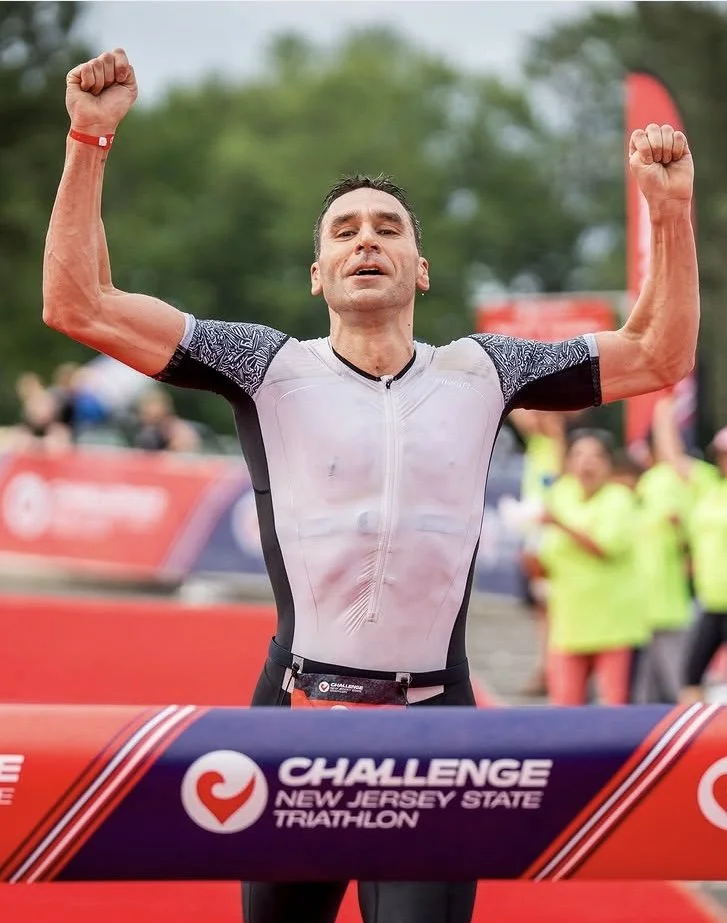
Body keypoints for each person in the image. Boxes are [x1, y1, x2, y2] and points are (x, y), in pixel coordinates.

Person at [42, 48, 699, 923]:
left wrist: (670, 212)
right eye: (344, 230)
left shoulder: (483, 370)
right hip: (296, 711)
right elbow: (78, 302)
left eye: (388, 228)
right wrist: (89, 138)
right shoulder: (266, 365)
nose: (365, 239)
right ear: (317, 272)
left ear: (420, 268)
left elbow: (657, 353)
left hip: (436, 717)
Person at [535, 431, 647, 706]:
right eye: (579, 455)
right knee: (564, 709)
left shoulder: (619, 499)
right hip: (568, 624)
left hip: (614, 625)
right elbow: (545, 557)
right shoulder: (561, 494)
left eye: (596, 456)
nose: (587, 462)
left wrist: (560, 524)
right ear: (569, 462)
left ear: (609, 464)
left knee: (614, 710)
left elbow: (605, 548)